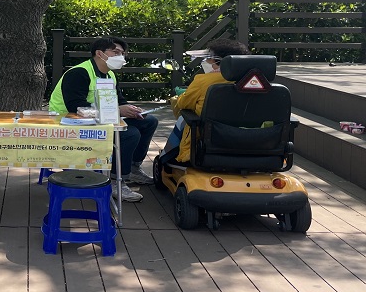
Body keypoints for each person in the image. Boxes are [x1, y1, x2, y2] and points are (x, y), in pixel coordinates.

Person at [49, 36, 158, 202]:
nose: (121, 57)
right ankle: (116, 181)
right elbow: (76, 107)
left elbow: (119, 100)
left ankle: (133, 168)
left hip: (97, 120)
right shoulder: (79, 73)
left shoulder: (110, 75)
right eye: (116, 52)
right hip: (70, 123)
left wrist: (132, 110)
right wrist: (118, 110)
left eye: (123, 53)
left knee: (149, 121)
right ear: (100, 53)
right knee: (130, 134)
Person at [159, 38, 251, 165]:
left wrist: (179, 96)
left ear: (218, 61)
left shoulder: (203, 81)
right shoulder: (253, 82)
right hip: (250, 138)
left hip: (208, 137)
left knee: (182, 120)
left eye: (209, 58)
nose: (206, 61)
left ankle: (166, 158)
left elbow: (183, 104)